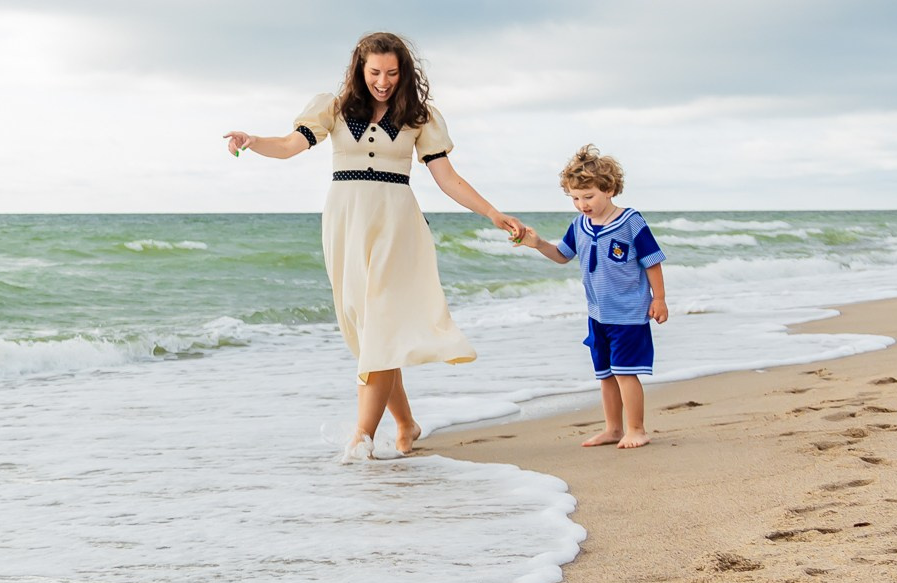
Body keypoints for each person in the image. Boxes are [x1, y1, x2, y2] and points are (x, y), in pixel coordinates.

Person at [225, 31, 522, 461]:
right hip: (346, 225)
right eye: (375, 72)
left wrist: (492, 213)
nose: (383, 82)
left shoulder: (419, 117)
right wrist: (253, 141)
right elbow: (290, 146)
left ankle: (360, 440)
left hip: (396, 229)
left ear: (405, 73)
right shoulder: (333, 108)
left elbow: (448, 178)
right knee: (371, 333)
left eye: (392, 73)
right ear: (360, 70)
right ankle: (406, 423)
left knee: (381, 326)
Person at [511, 145, 669, 449]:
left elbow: (652, 261)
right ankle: (613, 429)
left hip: (628, 313)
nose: (581, 204)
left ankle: (636, 429)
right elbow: (562, 255)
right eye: (575, 198)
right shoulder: (579, 225)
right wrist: (537, 243)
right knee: (605, 374)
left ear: (609, 190)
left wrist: (658, 298)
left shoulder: (630, 221)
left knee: (625, 373)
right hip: (598, 314)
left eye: (588, 196)